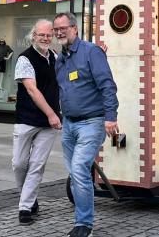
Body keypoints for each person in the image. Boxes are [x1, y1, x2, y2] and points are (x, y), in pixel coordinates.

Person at [53, 12, 119, 237]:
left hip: (92, 122)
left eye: (63, 28)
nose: (59, 32)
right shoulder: (60, 59)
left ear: (75, 29)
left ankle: (84, 224)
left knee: (80, 169)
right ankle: (83, 218)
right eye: (56, 29)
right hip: (69, 125)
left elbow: (107, 86)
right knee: (75, 172)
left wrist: (111, 117)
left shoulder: (91, 52)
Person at [13, 19, 62, 225]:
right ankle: (29, 197)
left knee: (36, 166)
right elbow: (32, 90)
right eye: (41, 35)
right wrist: (52, 114)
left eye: (49, 35)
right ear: (34, 35)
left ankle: (25, 207)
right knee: (19, 164)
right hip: (27, 119)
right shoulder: (25, 58)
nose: (45, 38)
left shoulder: (56, 57)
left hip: (48, 125)